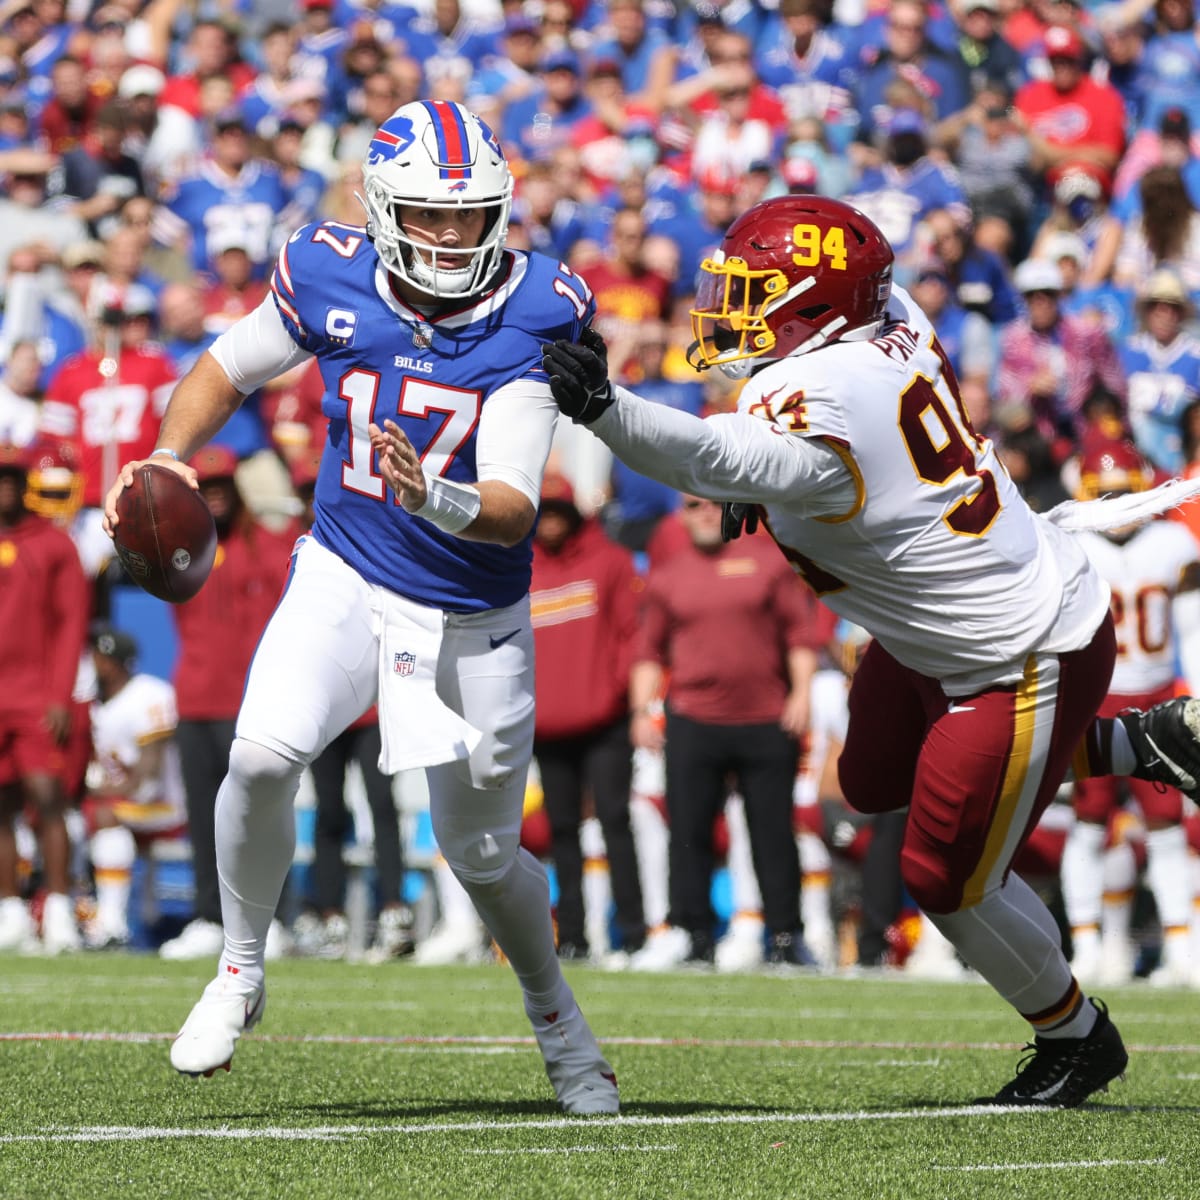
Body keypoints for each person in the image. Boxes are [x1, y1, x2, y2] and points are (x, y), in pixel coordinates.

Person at [539, 193, 1200, 1107]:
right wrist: (764, 485)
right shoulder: (893, 319)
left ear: (815, 305)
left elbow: (712, 459)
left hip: (1014, 656)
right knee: (875, 780)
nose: (731, 308)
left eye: (755, 291)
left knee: (945, 878)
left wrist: (606, 412)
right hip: (953, 621)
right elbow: (793, 461)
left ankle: (1075, 1036)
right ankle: (1136, 743)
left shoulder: (813, 394)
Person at [102, 99, 618, 1115]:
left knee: (481, 852)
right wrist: (170, 451)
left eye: (468, 216)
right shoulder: (325, 268)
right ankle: (241, 969)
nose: (449, 237)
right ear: (381, 208)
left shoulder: (539, 308)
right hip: (346, 574)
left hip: (475, 615)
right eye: (427, 215)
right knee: (260, 754)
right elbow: (224, 367)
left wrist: (438, 495)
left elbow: (513, 511)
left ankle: (557, 1018)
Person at [627, 493, 830, 970]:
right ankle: (692, 934)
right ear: (680, 514)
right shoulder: (666, 574)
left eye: (713, 504)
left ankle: (785, 937)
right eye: (694, 505)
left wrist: (801, 693)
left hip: (766, 718)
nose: (704, 513)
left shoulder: (768, 563)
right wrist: (640, 711)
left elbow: (800, 636)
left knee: (774, 834)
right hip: (694, 720)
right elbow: (648, 652)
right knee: (689, 833)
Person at [1062, 438, 1200, 988]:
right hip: (1095, 698)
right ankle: (1087, 944)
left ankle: (1180, 945)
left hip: (1157, 695)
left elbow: (1192, 627)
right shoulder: (1073, 541)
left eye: (1124, 495)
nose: (1117, 508)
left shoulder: (1171, 543)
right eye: (1106, 496)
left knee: (1166, 829)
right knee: (1088, 823)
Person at [155, 445, 298, 962]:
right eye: (204, 490)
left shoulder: (267, 544)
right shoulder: (183, 549)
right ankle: (207, 916)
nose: (214, 498)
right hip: (195, 700)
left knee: (257, 816)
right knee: (202, 817)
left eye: (221, 488)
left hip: (251, 702)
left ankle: (274, 918)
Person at [529, 471, 645, 961]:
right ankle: (573, 936)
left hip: (604, 724)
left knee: (615, 822)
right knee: (562, 833)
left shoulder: (611, 562)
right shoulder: (520, 568)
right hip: (547, 727)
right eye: (544, 513)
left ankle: (633, 933)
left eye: (560, 513)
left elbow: (631, 634)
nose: (552, 523)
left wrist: (618, 695)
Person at [0, 441, 89, 954]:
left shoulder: (54, 544)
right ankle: (10, 908)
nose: (6, 484)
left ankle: (57, 907)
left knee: (48, 798)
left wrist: (58, 695)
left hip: (35, 694)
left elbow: (69, 624)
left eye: (13, 476)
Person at [82, 624, 188, 949]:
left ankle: (111, 924)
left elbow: (148, 780)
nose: (95, 664)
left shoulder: (150, 695)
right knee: (65, 821)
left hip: (164, 806)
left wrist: (92, 793)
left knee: (103, 817)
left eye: (101, 658)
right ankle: (81, 914)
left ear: (118, 663)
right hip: (120, 802)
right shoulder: (90, 703)